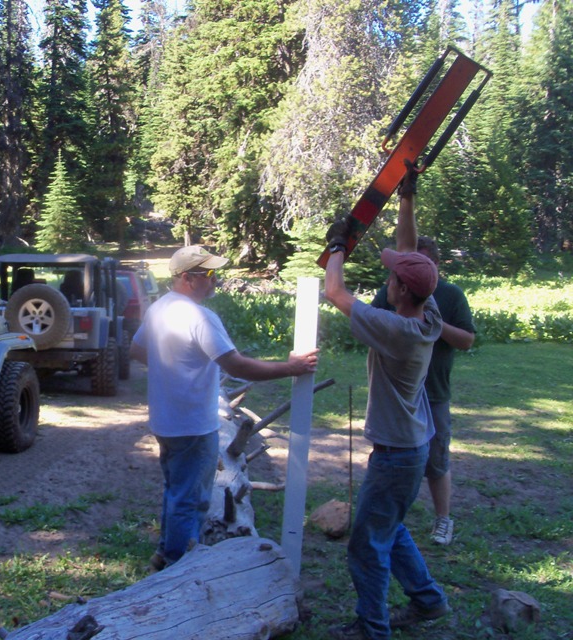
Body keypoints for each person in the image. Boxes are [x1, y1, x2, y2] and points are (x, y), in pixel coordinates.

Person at [129, 245, 319, 570]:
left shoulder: (159, 308)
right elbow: (238, 366)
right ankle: (177, 566)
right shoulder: (200, 317)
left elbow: (136, 348)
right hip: (193, 425)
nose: (215, 281)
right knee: (192, 497)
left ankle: (165, 553)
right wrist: (290, 368)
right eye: (210, 275)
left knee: (176, 489)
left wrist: (171, 369)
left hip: (166, 420)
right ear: (188, 278)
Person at [323, 164, 450, 640]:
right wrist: (407, 200)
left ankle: (372, 629)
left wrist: (337, 247)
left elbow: (335, 291)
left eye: (394, 276)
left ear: (399, 291)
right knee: (389, 527)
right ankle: (429, 600)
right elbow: (414, 254)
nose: (391, 276)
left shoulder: (394, 329)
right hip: (411, 448)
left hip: (396, 455)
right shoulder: (428, 314)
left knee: (365, 544)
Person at [371, 236, 475, 546]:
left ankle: (443, 519)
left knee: (437, 459)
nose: (414, 268)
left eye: (424, 263)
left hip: (434, 392)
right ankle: (390, 516)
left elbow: (467, 340)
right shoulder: (393, 289)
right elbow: (374, 320)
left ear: (437, 266)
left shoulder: (451, 295)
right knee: (390, 454)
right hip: (398, 395)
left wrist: (433, 323)